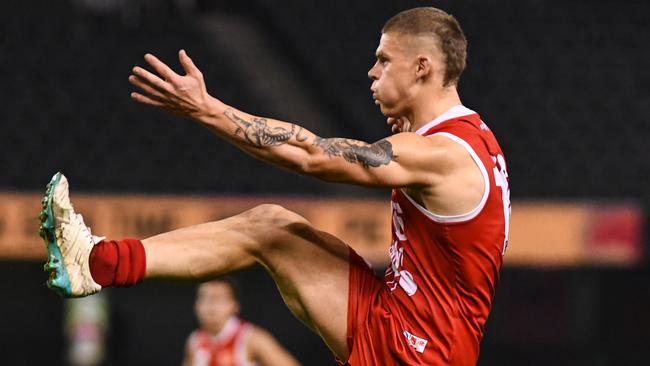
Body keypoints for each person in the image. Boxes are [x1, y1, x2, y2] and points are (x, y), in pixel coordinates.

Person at [39, 7, 510, 365]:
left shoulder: (443, 155)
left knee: (271, 231)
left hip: (420, 351)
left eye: (384, 60)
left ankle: (97, 263)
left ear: (422, 68)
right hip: (397, 315)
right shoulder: (469, 139)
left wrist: (207, 110)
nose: (372, 71)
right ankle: (98, 261)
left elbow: (313, 156)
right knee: (271, 227)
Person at [182, 278, 300, 366]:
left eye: (218, 299)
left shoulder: (251, 338)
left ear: (234, 306)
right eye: (204, 298)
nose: (210, 307)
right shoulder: (194, 342)